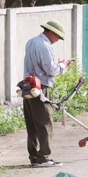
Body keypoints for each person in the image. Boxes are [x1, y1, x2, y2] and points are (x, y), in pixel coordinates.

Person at [23, 20, 72, 168]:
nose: (57, 40)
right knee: (44, 122)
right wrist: (63, 65)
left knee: (31, 123)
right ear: (52, 32)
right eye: (57, 37)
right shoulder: (45, 45)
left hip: (27, 86)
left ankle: (34, 156)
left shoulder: (31, 42)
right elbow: (50, 69)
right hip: (40, 87)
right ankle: (43, 157)